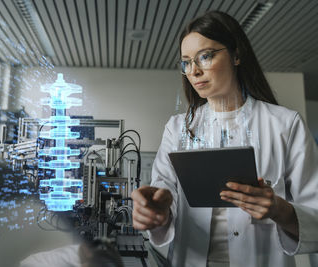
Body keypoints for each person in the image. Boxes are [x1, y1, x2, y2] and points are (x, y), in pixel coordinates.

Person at [131, 11, 318, 267]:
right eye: (186, 62)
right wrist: (157, 211)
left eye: (205, 56)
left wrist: (278, 209)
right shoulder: (177, 129)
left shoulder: (285, 124)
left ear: (236, 55)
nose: (194, 71)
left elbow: (315, 216)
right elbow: (165, 201)